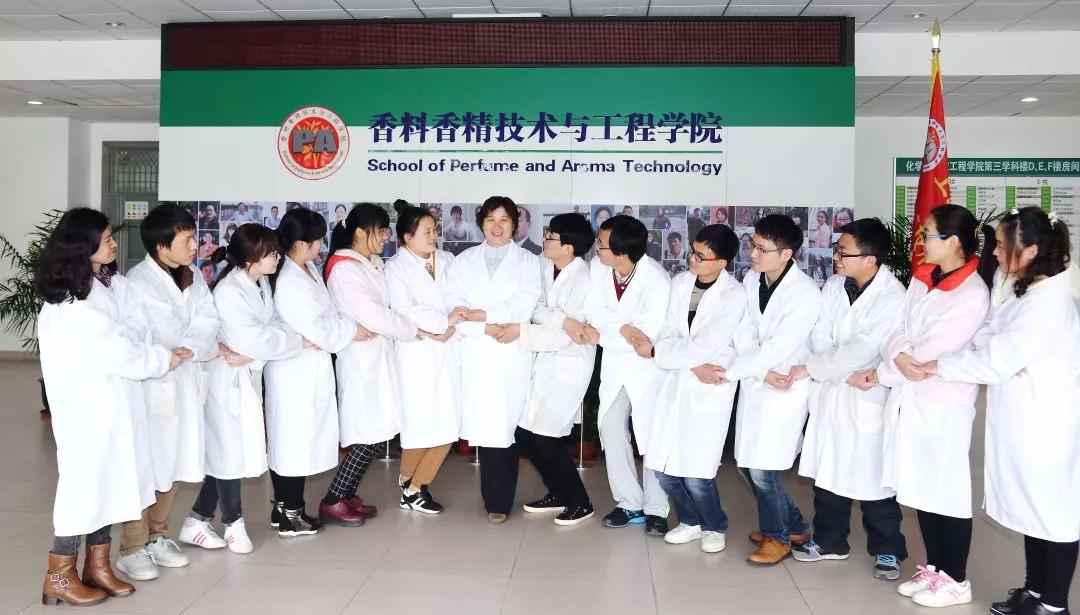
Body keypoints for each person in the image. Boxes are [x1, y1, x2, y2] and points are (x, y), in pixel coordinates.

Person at [921, 208, 1080, 615]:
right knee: (1031, 508)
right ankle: (1033, 590)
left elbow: (997, 360)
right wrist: (985, 356)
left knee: (1052, 512)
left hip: (1046, 422)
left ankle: (1054, 604)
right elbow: (991, 336)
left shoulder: (1050, 301)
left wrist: (942, 365)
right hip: (1021, 417)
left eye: (1003, 245)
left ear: (1031, 251)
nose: (995, 252)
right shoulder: (1023, 288)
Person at [36, 208, 182, 607]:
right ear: (81, 247)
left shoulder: (112, 284)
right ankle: (58, 575)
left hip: (116, 402)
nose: (114, 244)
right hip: (89, 410)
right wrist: (157, 357)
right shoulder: (69, 303)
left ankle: (97, 566)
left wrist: (133, 340)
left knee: (110, 484)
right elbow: (118, 348)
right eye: (105, 239)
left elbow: (139, 327)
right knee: (84, 488)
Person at [871, 204, 990, 608]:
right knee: (922, 490)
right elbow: (896, 330)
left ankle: (956, 579)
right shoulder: (923, 279)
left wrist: (903, 360)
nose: (921, 241)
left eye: (928, 235)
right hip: (912, 395)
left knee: (947, 493)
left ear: (953, 241)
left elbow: (935, 350)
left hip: (943, 404)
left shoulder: (972, 293)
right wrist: (899, 355)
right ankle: (935, 570)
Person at [783, 218, 908, 580]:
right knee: (828, 473)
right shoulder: (834, 286)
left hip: (870, 395)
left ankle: (887, 549)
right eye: (836, 250)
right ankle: (830, 542)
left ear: (870, 259)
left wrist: (820, 369)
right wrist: (841, 374)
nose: (835, 257)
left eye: (843, 252)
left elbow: (865, 348)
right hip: (838, 389)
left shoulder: (892, 296)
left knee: (874, 481)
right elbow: (820, 337)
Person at [188, 224, 305, 555]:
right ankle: (232, 524)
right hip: (225, 380)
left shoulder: (260, 282)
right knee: (228, 454)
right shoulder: (229, 291)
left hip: (244, 376)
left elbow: (272, 327)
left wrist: (259, 351)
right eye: (271, 253)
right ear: (252, 257)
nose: (277, 257)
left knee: (231, 453)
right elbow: (252, 339)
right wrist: (291, 343)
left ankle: (197, 519)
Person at [119, 204, 220, 582]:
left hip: (185, 377)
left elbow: (208, 320)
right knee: (147, 466)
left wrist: (191, 346)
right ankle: (132, 547)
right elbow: (154, 333)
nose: (195, 245)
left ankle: (158, 536)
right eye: (188, 239)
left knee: (175, 461)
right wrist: (181, 344)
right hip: (154, 385)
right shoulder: (138, 283)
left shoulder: (191, 276)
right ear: (162, 247)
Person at [716, 214, 821, 566]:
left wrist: (739, 370)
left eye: (762, 249)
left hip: (786, 386)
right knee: (747, 464)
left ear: (787, 254)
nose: (753, 254)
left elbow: (780, 346)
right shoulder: (752, 279)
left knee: (763, 468)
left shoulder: (805, 293)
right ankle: (795, 525)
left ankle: (778, 538)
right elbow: (743, 329)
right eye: (753, 245)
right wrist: (758, 371)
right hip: (760, 379)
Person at [265, 208, 370, 536]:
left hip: (310, 369)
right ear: (301, 243)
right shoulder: (289, 280)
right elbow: (320, 330)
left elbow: (330, 317)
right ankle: (290, 514)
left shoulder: (307, 268)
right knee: (291, 444)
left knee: (299, 441)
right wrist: (352, 332)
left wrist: (340, 328)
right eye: (318, 239)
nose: (322, 244)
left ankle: (284, 508)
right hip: (293, 374)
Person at [642, 224, 745, 554]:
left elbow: (707, 345)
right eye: (693, 252)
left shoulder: (733, 295)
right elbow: (666, 334)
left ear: (722, 262)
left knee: (697, 470)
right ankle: (690, 521)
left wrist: (675, 357)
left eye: (702, 256)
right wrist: (690, 363)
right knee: (663, 467)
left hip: (709, 387)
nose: (693, 259)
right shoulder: (680, 283)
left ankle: (714, 525)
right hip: (678, 382)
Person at [322, 204, 424, 523]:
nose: (385, 237)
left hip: (378, 355)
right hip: (361, 360)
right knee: (368, 434)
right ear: (358, 233)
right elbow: (374, 315)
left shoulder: (370, 263)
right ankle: (334, 499)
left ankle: (346, 495)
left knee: (378, 432)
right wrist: (413, 330)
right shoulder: (344, 269)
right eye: (379, 231)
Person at [446, 196, 542, 524]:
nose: (497, 227)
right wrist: (483, 325)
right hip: (475, 349)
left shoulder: (529, 262)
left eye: (504, 220)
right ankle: (493, 497)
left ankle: (500, 500)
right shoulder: (463, 261)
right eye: (490, 219)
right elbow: (455, 305)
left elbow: (524, 304)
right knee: (486, 427)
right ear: (481, 223)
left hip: (510, 351)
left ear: (515, 225)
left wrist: (484, 315)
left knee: (506, 427)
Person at [583, 215, 671, 536]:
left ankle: (656, 509)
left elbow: (646, 334)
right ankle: (629, 503)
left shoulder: (656, 279)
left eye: (602, 245)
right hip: (615, 368)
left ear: (622, 252)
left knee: (651, 439)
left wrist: (605, 335)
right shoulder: (599, 268)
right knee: (611, 430)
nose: (597, 249)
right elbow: (593, 310)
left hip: (647, 371)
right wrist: (623, 327)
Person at [516, 214, 598, 526]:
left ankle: (580, 502)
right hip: (543, 361)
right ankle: (558, 493)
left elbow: (569, 335)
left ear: (568, 248)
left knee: (545, 437)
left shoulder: (584, 279)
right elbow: (534, 308)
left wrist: (554, 323)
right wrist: (562, 318)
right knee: (525, 434)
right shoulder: (543, 264)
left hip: (569, 366)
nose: (545, 239)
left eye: (551, 236)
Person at [385, 203, 462, 514]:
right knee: (418, 423)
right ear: (407, 237)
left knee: (449, 422)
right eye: (426, 232)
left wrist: (451, 324)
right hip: (415, 354)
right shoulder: (395, 268)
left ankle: (412, 485)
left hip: (449, 350)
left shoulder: (448, 260)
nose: (433, 236)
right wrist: (443, 322)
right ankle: (413, 486)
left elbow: (460, 299)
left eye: (434, 230)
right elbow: (404, 310)